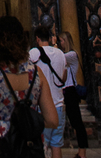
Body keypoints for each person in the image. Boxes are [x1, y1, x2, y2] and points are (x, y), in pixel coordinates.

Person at [0, 16, 57, 157]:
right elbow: (53, 120)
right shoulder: (36, 72)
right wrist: (27, 121)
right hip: (30, 149)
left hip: (1, 146)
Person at [30, 24, 67, 158]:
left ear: (37, 38)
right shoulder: (61, 54)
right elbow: (63, 77)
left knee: (41, 144)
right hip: (59, 103)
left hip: (43, 106)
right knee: (56, 143)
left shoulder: (34, 53)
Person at [59, 31, 88, 158]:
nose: (60, 43)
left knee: (77, 122)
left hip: (71, 90)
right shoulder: (66, 55)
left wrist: (52, 47)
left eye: (61, 41)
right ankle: (80, 152)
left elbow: (59, 58)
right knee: (73, 120)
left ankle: (82, 153)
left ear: (66, 41)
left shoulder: (72, 55)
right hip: (66, 90)